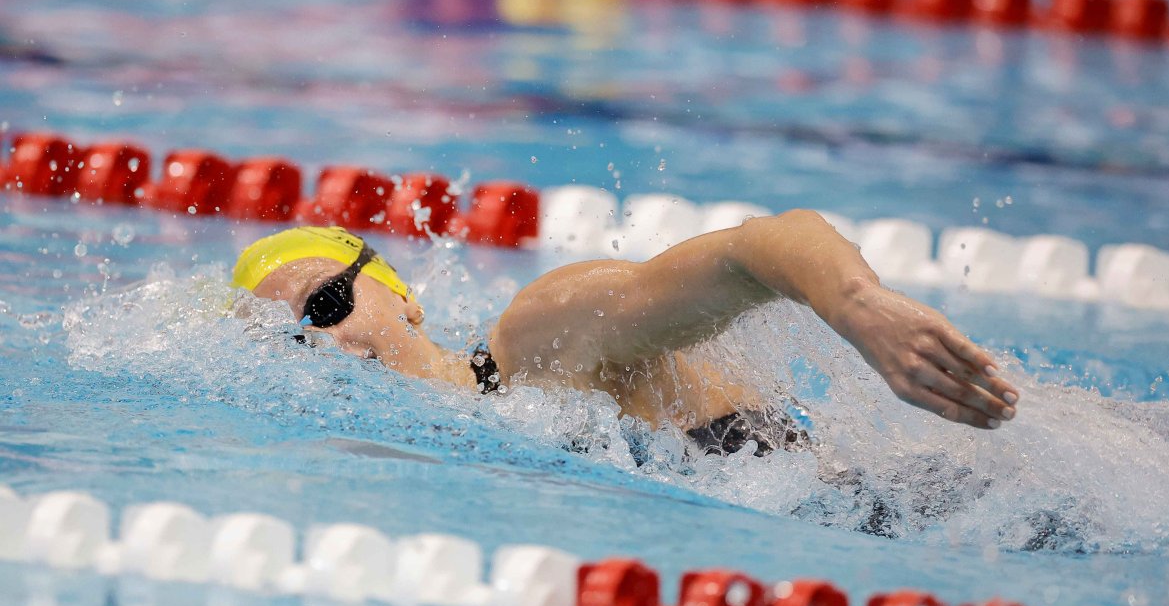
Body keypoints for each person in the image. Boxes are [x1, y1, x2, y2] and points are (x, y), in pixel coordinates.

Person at [231, 209, 1019, 457]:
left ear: (405, 298)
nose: (323, 343)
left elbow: (752, 251)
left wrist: (855, 304)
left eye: (325, 302)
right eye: (290, 338)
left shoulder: (538, 338)